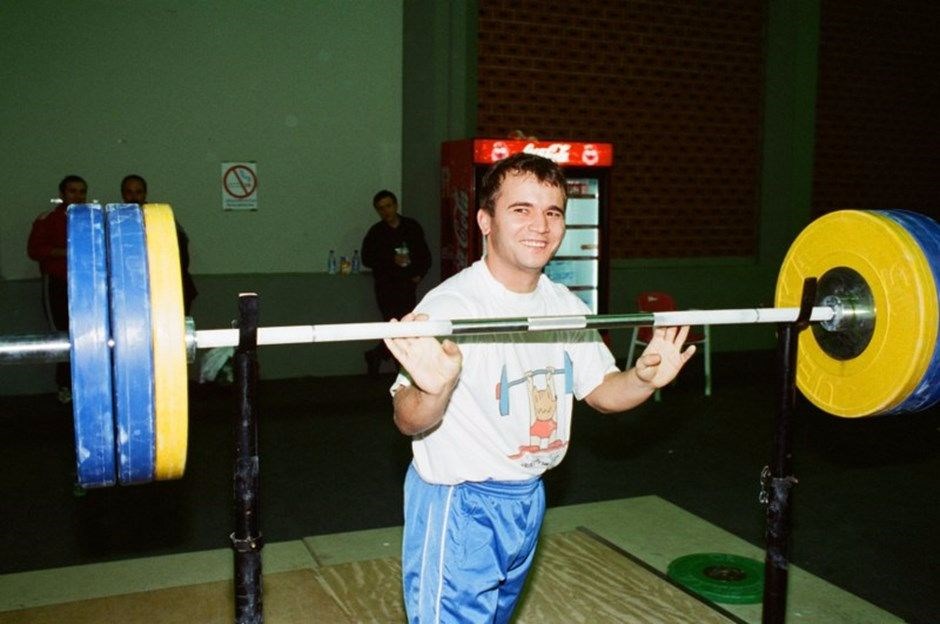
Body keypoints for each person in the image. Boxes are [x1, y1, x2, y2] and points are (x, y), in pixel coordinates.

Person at [384, 153, 696, 623]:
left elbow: (602, 392)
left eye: (553, 212)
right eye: (521, 209)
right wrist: (434, 390)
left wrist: (643, 378)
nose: (541, 226)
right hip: (461, 502)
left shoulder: (564, 304)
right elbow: (408, 419)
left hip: (528, 496)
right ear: (485, 221)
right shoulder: (451, 306)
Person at [27, 175, 88, 403]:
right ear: (62, 194)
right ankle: (65, 386)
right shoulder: (48, 220)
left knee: (86, 334)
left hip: (85, 285)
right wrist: (66, 252)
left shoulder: (91, 219)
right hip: (57, 284)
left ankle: (85, 386)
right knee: (63, 336)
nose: (78, 196)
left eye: (82, 191)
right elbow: (35, 250)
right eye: (72, 191)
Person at [360, 190, 431, 376]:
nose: (386, 211)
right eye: (381, 208)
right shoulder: (376, 233)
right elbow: (366, 258)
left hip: (407, 285)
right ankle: (400, 368)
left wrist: (419, 274)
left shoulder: (411, 227)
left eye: (388, 206)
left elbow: (424, 254)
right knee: (394, 326)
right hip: (386, 286)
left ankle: (378, 355)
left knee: (403, 326)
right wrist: (391, 259)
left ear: (396, 205)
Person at [120, 174, 198, 315]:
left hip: (168, 287)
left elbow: (180, 255)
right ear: (123, 195)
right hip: (134, 290)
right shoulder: (117, 222)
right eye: (129, 192)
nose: (134, 197)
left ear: (145, 194)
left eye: (138, 192)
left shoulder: (159, 217)